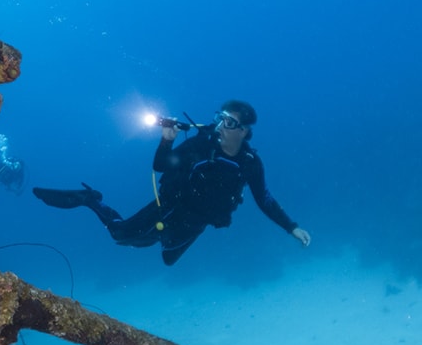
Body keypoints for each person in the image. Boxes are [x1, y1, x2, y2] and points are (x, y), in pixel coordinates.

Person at [33, 100, 311, 265]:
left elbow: (264, 199)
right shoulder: (201, 146)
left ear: (244, 131)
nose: (218, 126)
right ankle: (91, 199)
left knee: (166, 258)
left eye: (227, 122)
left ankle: (151, 236)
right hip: (171, 207)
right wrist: (167, 140)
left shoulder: (250, 162)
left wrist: (292, 227)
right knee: (121, 235)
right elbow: (160, 166)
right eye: (218, 118)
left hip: (200, 220)